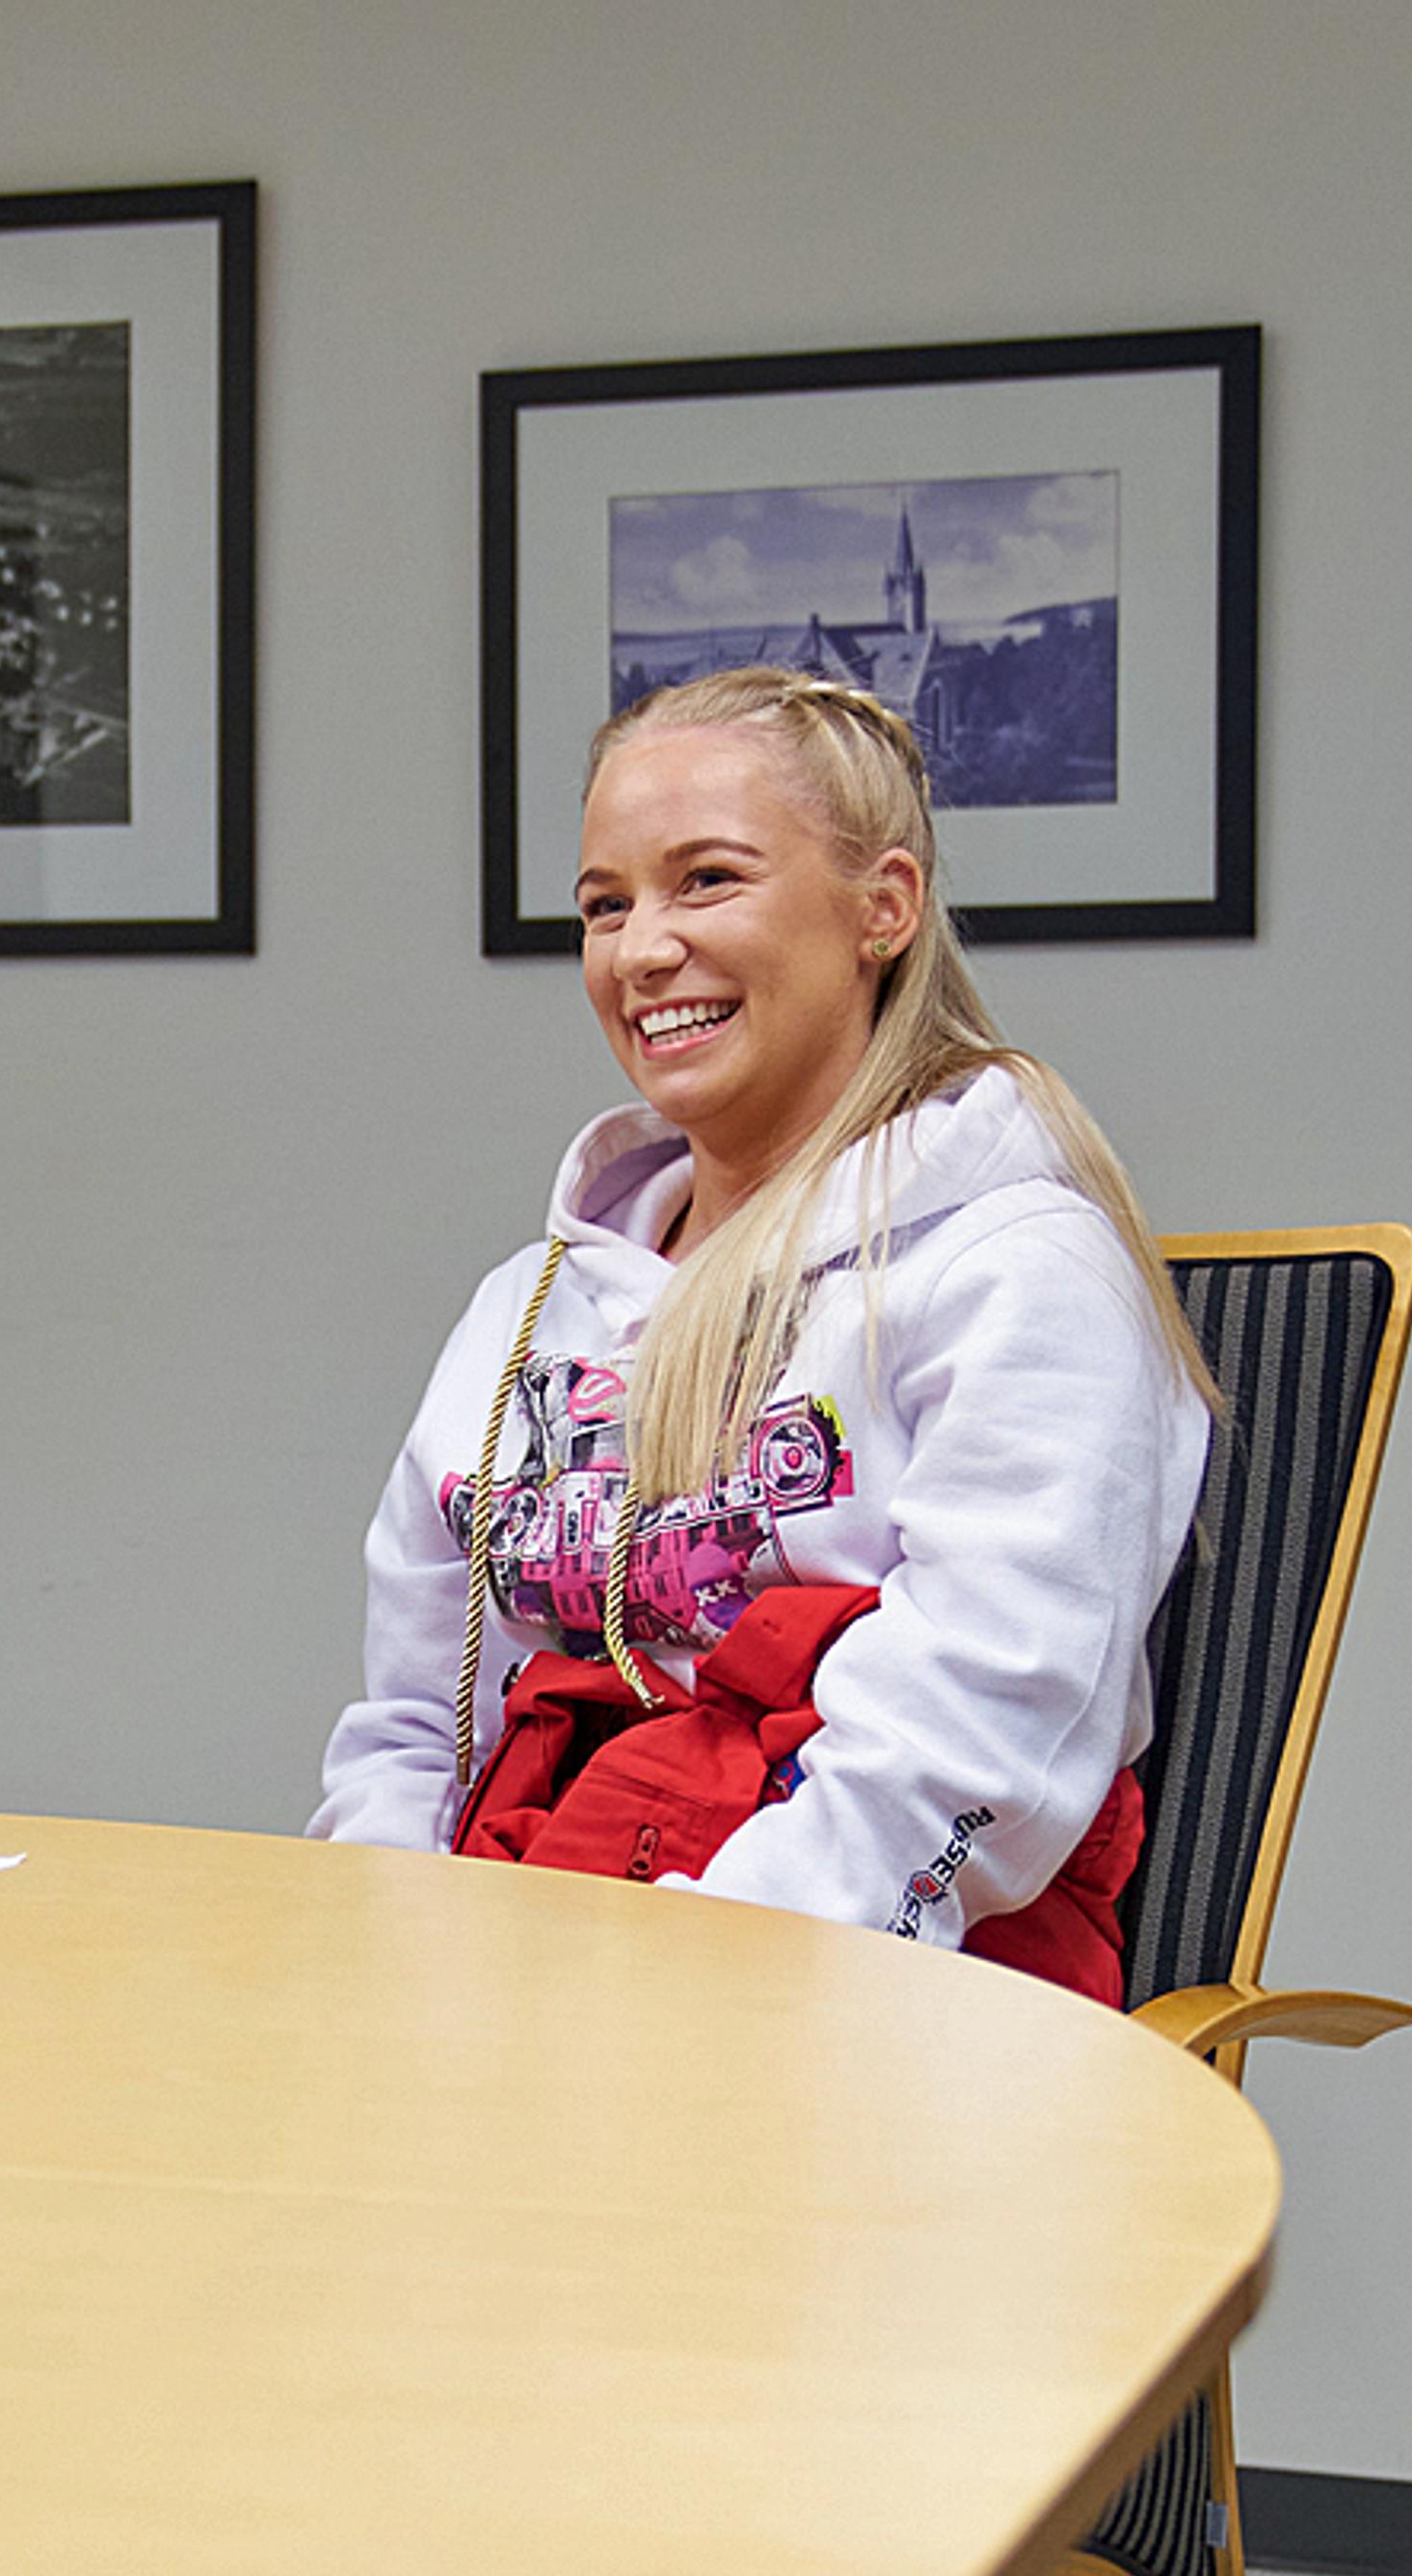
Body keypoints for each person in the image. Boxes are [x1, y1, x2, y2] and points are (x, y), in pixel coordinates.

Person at [310, 667, 1213, 1999]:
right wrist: (387, 1962)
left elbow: (970, 1743)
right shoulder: (529, 1308)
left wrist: (671, 1994)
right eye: (605, 904)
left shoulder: (1020, 1274)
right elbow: (410, 1728)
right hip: (539, 1964)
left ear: (883, 909)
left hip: (871, 1998)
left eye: (708, 880)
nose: (641, 950)